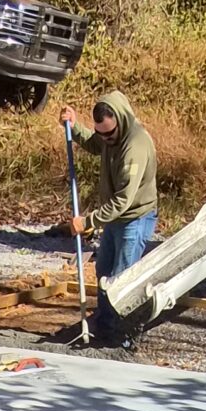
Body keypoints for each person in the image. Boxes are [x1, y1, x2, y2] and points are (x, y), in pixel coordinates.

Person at [61, 91, 158, 340]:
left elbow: (123, 200)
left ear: (120, 122)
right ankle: (105, 324)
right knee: (104, 270)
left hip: (134, 218)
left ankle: (124, 333)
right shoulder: (109, 136)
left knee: (121, 279)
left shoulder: (134, 147)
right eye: (101, 133)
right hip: (114, 218)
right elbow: (95, 144)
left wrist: (87, 222)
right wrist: (74, 127)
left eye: (109, 134)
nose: (105, 139)